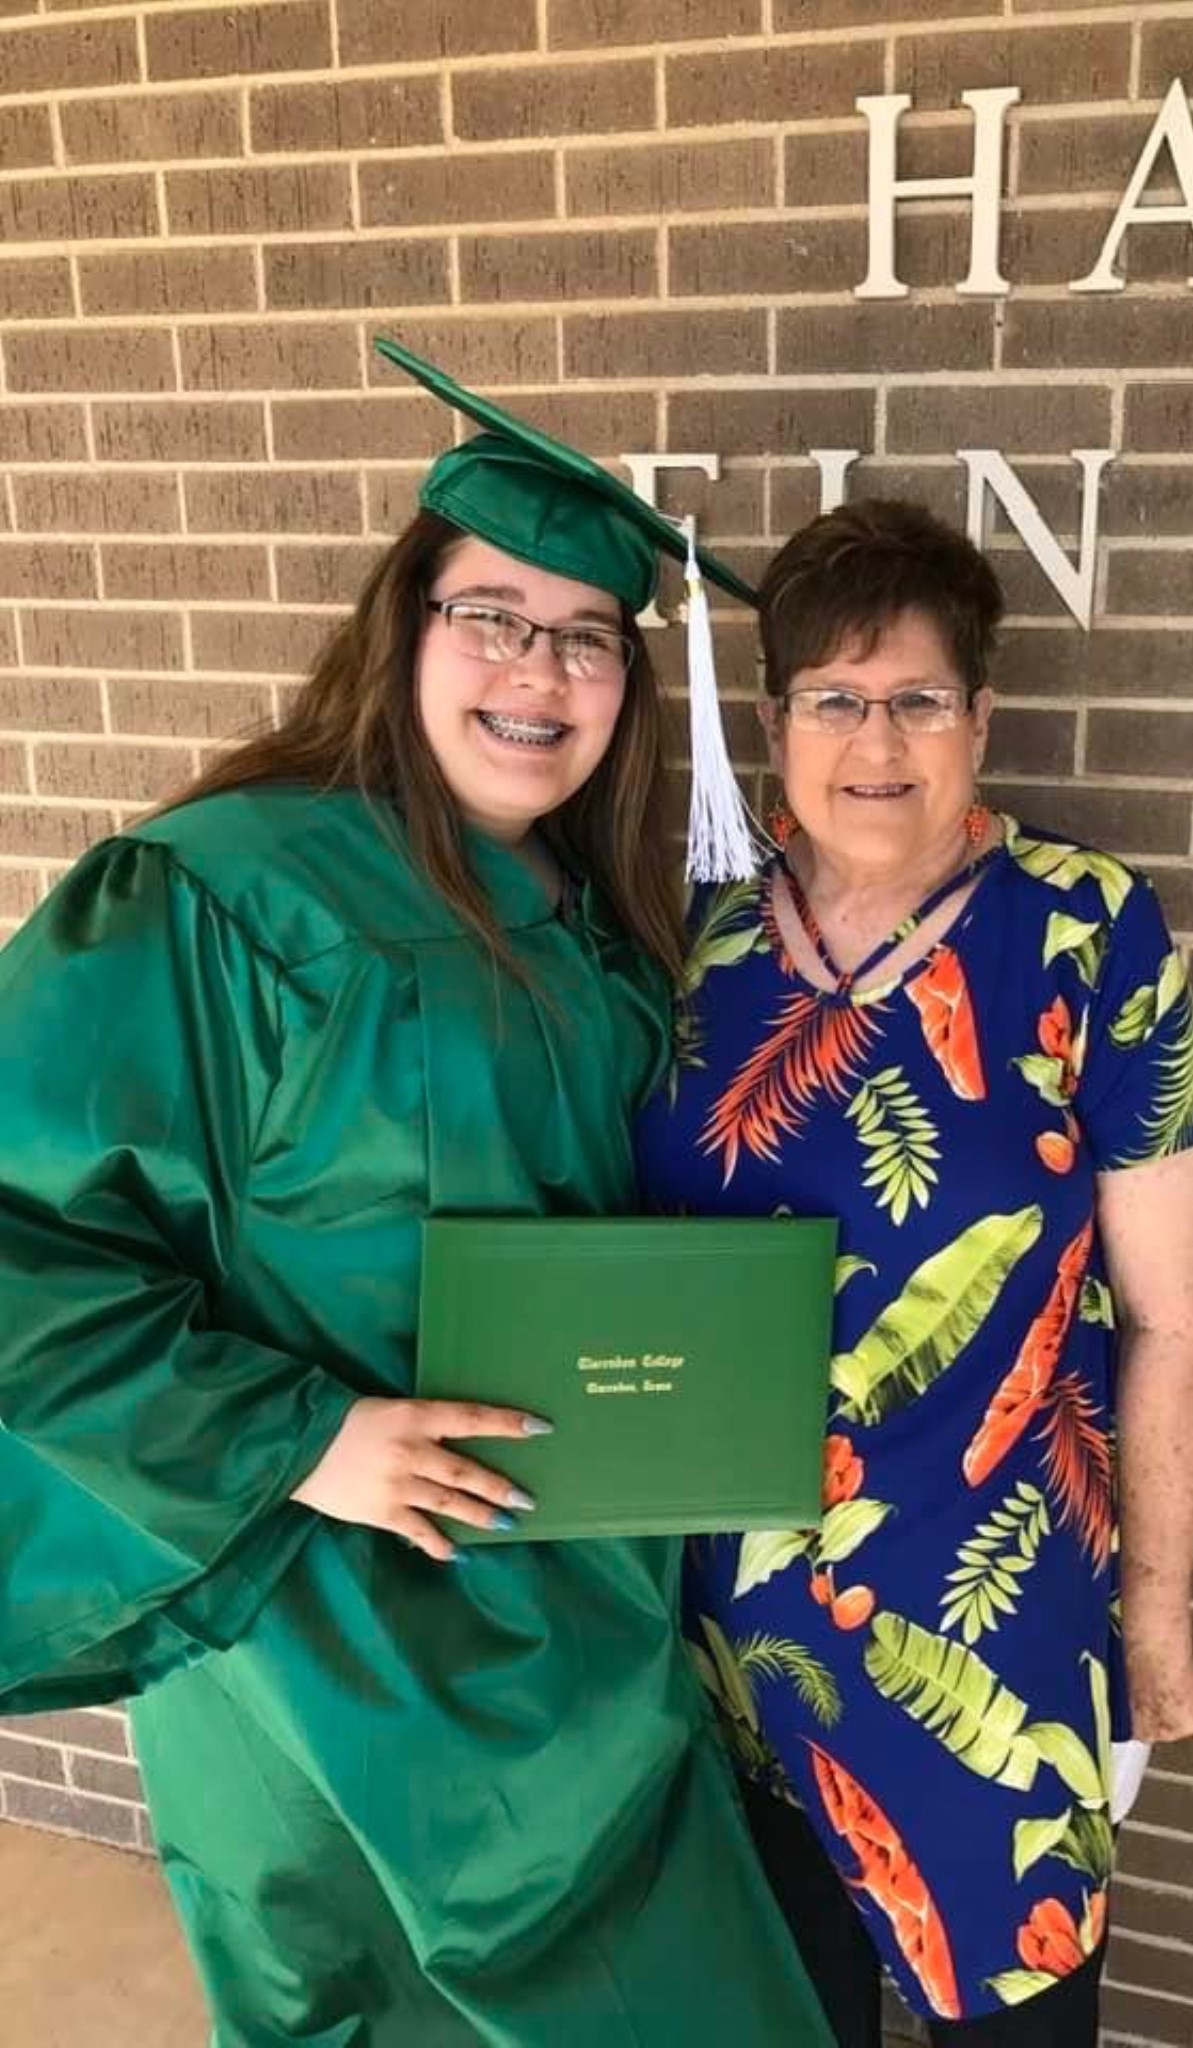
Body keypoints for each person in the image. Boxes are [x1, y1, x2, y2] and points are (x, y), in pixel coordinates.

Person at [0, 342, 833, 2048]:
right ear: (404, 628)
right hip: (322, 1616)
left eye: (589, 636)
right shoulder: (223, 894)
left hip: (569, 1605)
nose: (541, 669)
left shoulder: (603, 933)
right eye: (492, 615)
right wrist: (305, 1438)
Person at [636, 499, 1193, 2046]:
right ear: (774, 724)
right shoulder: (690, 941)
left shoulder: (1088, 932)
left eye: (917, 697)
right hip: (724, 1627)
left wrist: (1156, 1624)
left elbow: (1178, 1314)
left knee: (1015, 2013)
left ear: (981, 717)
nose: (876, 740)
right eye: (834, 698)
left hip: (999, 1621)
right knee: (782, 2014)